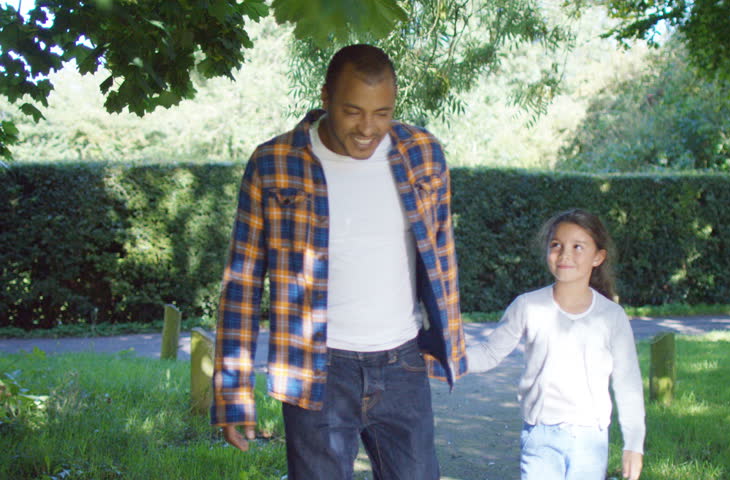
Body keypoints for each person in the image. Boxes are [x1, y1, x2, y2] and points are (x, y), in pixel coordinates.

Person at [210, 44, 467, 480]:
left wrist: (449, 344)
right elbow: (243, 283)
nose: (369, 128)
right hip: (317, 368)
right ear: (325, 96)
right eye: (352, 111)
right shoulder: (273, 163)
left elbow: (442, 255)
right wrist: (233, 391)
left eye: (382, 112)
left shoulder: (423, 154)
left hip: (402, 364)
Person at [465, 208, 645, 480]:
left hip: (590, 441)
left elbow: (627, 383)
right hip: (539, 437)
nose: (565, 255)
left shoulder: (611, 316)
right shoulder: (528, 305)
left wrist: (633, 445)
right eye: (556, 245)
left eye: (578, 246)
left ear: (598, 257)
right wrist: (448, 359)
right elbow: (490, 353)